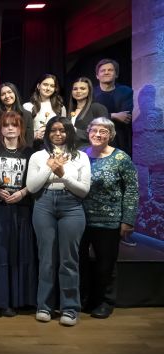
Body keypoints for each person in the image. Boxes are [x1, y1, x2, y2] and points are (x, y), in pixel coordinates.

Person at [26, 116, 91, 327]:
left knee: (69, 260)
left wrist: (62, 174)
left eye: (62, 130)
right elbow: (33, 187)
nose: (58, 134)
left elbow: (83, 190)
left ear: (69, 132)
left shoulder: (81, 156)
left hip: (71, 206)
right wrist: (49, 167)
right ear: (47, 133)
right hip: (44, 203)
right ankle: (44, 306)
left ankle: (70, 308)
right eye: (53, 130)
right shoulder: (37, 156)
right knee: (46, 259)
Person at [80, 117, 139, 319]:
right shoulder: (80, 156)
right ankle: (86, 299)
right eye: (94, 130)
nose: (97, 134)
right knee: (81, 263)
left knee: (106, 264)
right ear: (88, 133)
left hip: (109, 221)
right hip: (80, 219)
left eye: (103, 131)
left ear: (111, 135)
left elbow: (131, 190)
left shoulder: (121, 158)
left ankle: (105, 302)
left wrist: (128, 220)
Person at [0, 111, 37, 318]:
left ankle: (13, 302)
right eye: (6, 125)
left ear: (21, 128)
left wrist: (23, 192)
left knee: (18, 254)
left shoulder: (30, 152)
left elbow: (35, 181)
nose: (10, 129)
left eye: (14, 125)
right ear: (1, 129)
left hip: (22, 210)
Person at [93, 59, 134, 155]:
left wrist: (99, 116)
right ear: (97, 76)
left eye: (110, 70)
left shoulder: (126, 91)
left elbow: (125, 117)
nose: (106, 72)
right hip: (95, 139)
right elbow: (89, 118)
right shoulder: (91, 94)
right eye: (103, 70)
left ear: (116, 74)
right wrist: (113, 115)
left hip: (119, 140)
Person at [23, 74, 66, 147]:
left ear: (55, 89)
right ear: (38, 86)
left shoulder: (60, 108)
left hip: (54, 147)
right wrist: (35, 135)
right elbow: (22, 130)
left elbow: (64, 130)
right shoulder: (27, 106)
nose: (48, 88)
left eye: (52, 86)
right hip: (33, 146)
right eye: (45, 84)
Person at [67, 77, 108, 148]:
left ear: (89, 91)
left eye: (82, 88)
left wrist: (75, 130)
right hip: (72, 152)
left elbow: (103, 134)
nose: (78, 91)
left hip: (91, 152)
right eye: (75, 89)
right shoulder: (71, 111)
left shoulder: (97, 108)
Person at [0, 82, 34, 147]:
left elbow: (29, 139)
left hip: (20, 153)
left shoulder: (26, 115)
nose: (7, 96)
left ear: (15, 93)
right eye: (3, 94)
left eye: (10, 92)